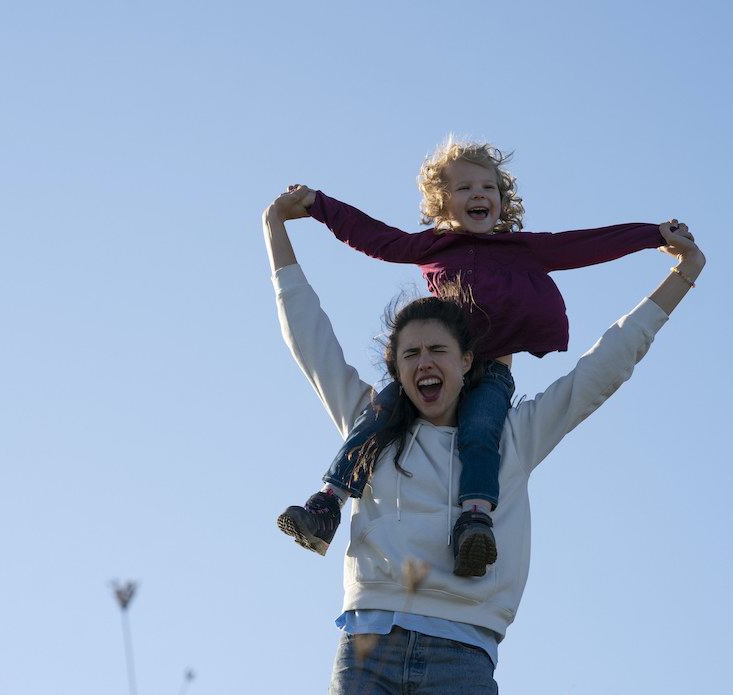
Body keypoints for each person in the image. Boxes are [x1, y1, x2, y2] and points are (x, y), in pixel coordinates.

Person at [264, 185, 705, 695]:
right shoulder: (367, 429)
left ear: (468, 361)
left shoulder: (509, 439)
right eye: (410, 354)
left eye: (437, 351)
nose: (424, 363)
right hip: (366, 657)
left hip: (460, 661)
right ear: (397, 370)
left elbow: (606, 365)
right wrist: (276, 230)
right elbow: (309, 335)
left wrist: (683, 274)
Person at [277, 139, 670, 577]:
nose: (479, 194)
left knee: (482, 432)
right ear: (443, 202)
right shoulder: (432, 247)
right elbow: (375, 238)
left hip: (489, 376)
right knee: (378, 414)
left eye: (489, 187)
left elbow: (586, 244)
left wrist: (652, 235)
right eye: (465, 188)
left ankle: (475, 522)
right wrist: (317, 204)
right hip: (436, 373)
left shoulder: (525, 249)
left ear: (503, 200)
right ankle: (327, 504)